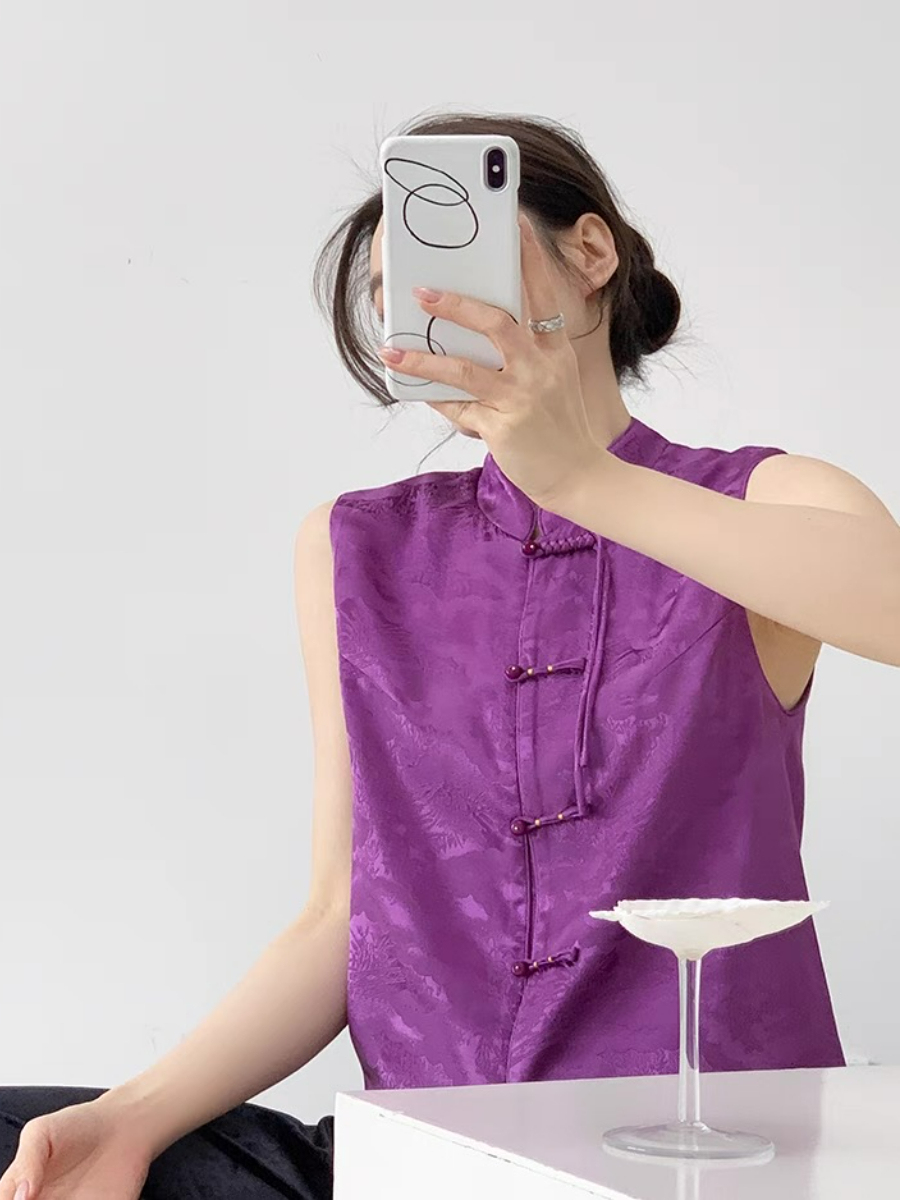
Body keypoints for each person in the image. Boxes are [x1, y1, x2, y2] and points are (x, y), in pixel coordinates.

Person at [2, 109, 899, 1200]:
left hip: (695, 1163)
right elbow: (339, 917)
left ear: (591, 252)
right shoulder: (355, 546)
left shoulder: (764, 497)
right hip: (420, 1160)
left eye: (461, 259)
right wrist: (129, 1118)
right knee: (29, 1138)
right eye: (400, 293)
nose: (433, 307)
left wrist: (584, 480)